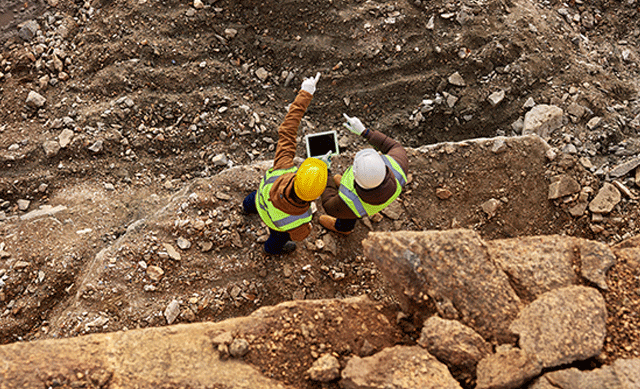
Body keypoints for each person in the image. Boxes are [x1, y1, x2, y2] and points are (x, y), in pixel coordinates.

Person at [242, 73, 329, 255]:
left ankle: (246, 208)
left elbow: (288, 129)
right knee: (278, 240)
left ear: (298, 174)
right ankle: (271, 250)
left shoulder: (283, 167)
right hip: (276, 225)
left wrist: (306, 93)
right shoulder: (301, 218)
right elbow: (299, 236)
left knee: (251, 200)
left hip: (261, 201)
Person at [319, 114, 408, 234]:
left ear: (355, 176)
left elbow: (328, 204)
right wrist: (365, 132)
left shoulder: (350, 202)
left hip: (355, 208)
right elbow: (393, 145)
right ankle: (344, 190)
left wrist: (326, 171)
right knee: (352, 210)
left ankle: (344, 229)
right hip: (379, 198)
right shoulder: (399, 167)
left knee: (348, 216)